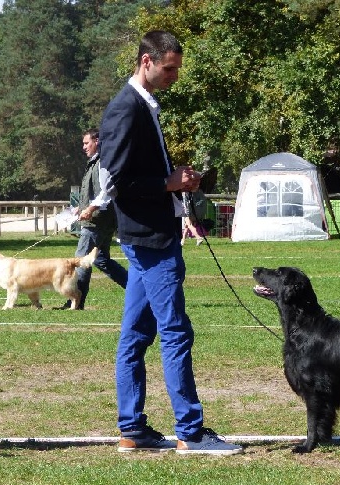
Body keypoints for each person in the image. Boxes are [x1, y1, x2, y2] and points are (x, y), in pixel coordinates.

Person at [98, 30, 242, 455]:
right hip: (151, 240)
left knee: (136, 336)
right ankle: (190, 432)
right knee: (175, 331)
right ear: (146, 62)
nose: (173, 76)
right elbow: (117, 183)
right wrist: (166, 183)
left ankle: (133, 429)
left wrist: (174, 179)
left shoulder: (142, 106)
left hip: (146, 237)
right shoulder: (125, 110)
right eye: (168, 68)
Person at [57, 128, 128, 310]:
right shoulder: (94, 162)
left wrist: (90, 208)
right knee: (100, 259)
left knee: (80, 260)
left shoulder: (102, 162)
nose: (83, 147)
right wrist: (79, 208)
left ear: (97, 141)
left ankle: (75, 301)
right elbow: (93, 192)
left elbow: (106, 191)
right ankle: (137, 289)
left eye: (86, 143)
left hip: (97, 220)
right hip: (99, 218)